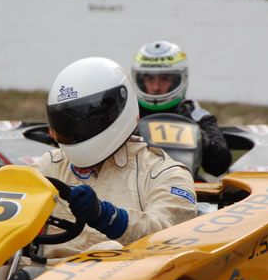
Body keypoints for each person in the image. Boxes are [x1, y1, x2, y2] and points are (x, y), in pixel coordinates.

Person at [32, 56, 198, 260]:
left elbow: (170, 235)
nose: (75, 131)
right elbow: (16, 193)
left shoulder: (163, 173)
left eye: (85, 122)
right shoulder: (52, 164)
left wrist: (107, 216)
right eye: (66, 124)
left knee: (108, 248)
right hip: (38, 278)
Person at [131, 40, 231, 177]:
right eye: (149, 78)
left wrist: (200, 138)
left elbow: (220, 165)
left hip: (185, 188)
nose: (156, 87)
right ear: (140, 80)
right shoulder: (127, 114)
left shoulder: (196, 115)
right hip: (134, 186)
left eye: (165, 79)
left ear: (179, 80)